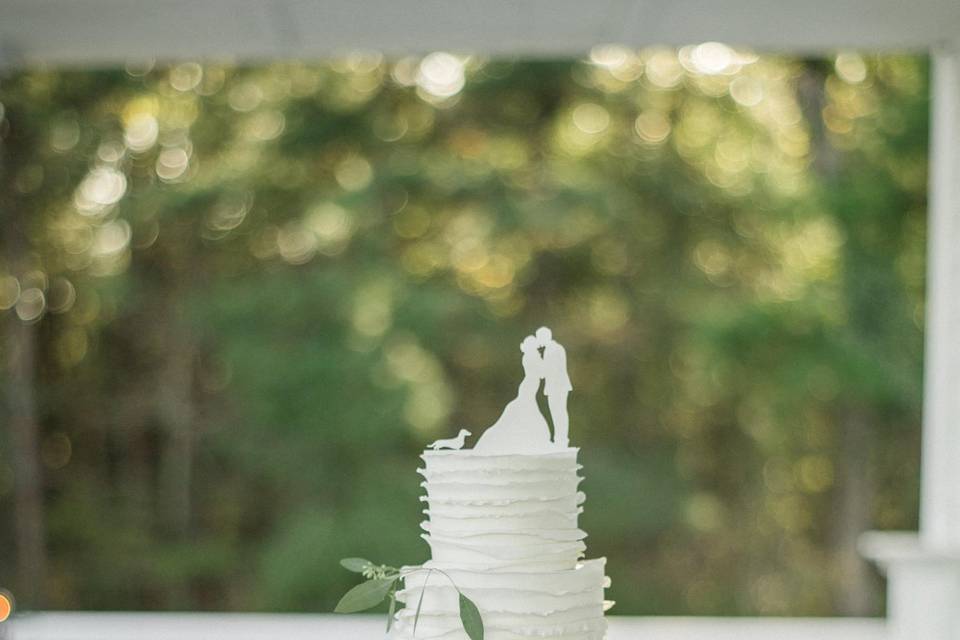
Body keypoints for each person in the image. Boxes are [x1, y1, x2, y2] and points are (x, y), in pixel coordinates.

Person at [473, 336, 553, 453]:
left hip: (528, 386)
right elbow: (541, 372)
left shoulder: (531, 356)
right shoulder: (532, 357)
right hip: (529, 386)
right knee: (524, 410)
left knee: (520, 410)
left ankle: (536, 437)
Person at [536, 326, 572, 448]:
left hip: (557, 386)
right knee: (557, 412)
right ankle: (560, 438)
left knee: (559, 412)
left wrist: (538, 362)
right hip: (556, 386)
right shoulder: (554, 349)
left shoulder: (553, 349)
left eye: (539, 338)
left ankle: (561, 439)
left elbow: (550, 370)